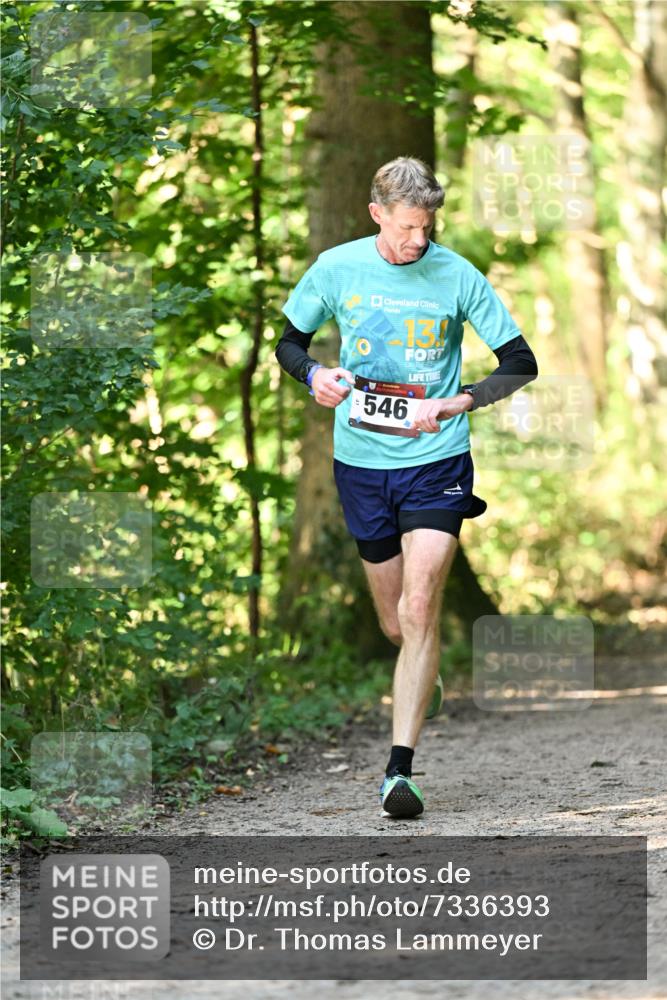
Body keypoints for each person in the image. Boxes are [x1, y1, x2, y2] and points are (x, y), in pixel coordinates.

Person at [276, 156, 537, 818]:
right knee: (394, 623)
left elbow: (519, 363)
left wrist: (459, 402)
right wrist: (313, 376)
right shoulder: (336, 268)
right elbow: (287, 342)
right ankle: (424, 676)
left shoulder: (455, 274)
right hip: (361, 464)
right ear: (377, 215)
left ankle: (398, 774)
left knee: (421, 609)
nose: (418, 241)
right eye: (406, 229)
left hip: (437, 460)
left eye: (427, 228)